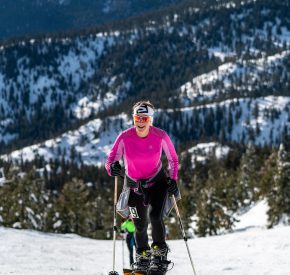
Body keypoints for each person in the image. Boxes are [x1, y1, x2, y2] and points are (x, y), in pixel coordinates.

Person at [105, 100, 180, 275]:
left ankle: (160, 256)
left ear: (150, 120)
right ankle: (143, 257)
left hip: (158, 183)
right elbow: (111, 160)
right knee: (139, 225)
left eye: (144, 118)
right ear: (133, 118)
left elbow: (173, 159)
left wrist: (173, 180)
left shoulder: (160, 136)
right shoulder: (124, 137)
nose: (140, 121)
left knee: (155, 216)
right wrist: (112, 168)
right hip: (133, 187)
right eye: (137, 117)